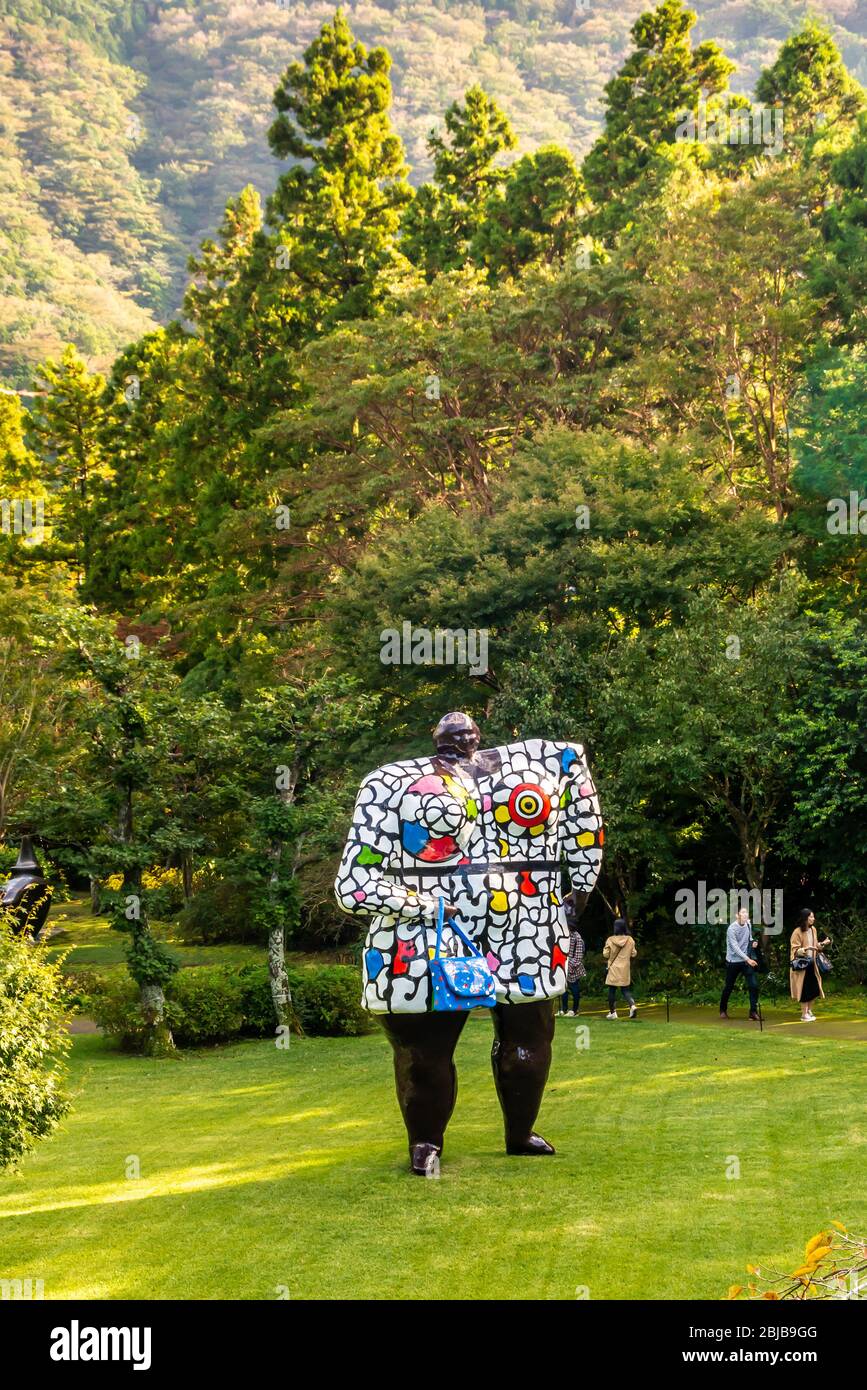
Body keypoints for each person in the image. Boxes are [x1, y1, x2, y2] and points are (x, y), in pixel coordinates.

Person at [335, 711, 603, 1173]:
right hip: (427, 936)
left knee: (529, 1042)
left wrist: (574, 887)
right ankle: (426, 1143)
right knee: (425, 1052)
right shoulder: (390, 783)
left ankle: (519, 1132)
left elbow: (584, 828)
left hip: (525, 928)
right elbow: (353, 884)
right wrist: (425, 906)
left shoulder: (548, 766)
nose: (464, 740)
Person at [719, 906, 760, 1021]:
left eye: (747, 912)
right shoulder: (731, 929)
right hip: (733, 961)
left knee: (753, 985)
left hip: (746, 961)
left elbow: (749, 938)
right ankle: (722, 1010)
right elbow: (735, 947)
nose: (746, 914)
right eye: (743, 912)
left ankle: (753, 1012)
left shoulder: (748, 924)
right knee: (729, 986)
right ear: (737, 915)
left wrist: (753, 942)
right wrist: (748, 959)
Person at [790, 908, 831, 1022]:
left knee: (814, 989)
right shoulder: (797, 932)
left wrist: (823, 943)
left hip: (812, 964)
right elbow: (795, 950)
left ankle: (809, 1010)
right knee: (804, 990)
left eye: (813, 916)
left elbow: (816, 946)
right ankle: (804, 1014)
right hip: (802, 965)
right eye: (811, 917)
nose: (813, 919)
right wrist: (806, 949)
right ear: (805, 918)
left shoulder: (813, 930)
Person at [603, 919, 637, 1019]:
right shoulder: (630, 940)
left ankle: (613, 1013)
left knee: (612, 990)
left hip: (613, 968)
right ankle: (632, 1006)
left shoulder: (610, 939)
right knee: (625, 990)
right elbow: (634, 953)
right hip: (625, 968)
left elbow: (606, 955)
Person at [560, 898, 586, 1016]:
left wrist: (570, 965)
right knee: (563, 990)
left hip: (573, 967)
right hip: (563, 965)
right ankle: (563, 1009)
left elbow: (578, 955)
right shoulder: (564, 935)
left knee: (574, 990)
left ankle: (575, 1010)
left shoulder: (577, 938)